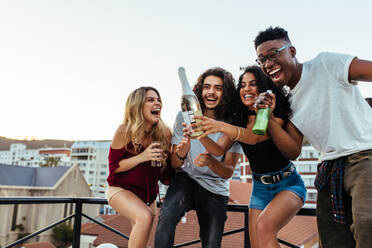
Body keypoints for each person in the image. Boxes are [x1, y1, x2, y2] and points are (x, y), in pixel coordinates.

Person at [254, 26, 372, 248]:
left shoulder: (325, 64)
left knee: (368, 223)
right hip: (330, 168)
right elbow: (293, 151)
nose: (267, 64)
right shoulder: (289, 102)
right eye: (262, 60)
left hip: (365, 156)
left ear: (292, 51)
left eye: (273, 54)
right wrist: (268, 119)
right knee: (333, 241)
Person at [191, 65, 306, 248]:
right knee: (256, 244)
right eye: (243, 85)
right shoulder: (240, 119)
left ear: (263, 88)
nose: (246, 89)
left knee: (264, 227)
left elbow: (254, 137)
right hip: (259, 188)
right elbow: (219, 149)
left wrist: (218, 126)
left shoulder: (275, 113)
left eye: (253, 84)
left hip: (288, 183)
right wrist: (200, 133)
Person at [154, 67, 242, 248]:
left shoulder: (232, 123)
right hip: (186, 179)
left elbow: (227, 172)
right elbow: (175, 163)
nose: (211, 92)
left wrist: (210, 161)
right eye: (207, 87)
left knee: (211, 243)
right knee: (166, 217)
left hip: (215, 187)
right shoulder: (183, 116)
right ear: (199, 91)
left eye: (218, 88)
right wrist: (181, 153)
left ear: (225, 93)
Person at [106, 86, 173, 248]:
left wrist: (174, 158)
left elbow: (166, 178)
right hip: (120, 189)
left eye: (158, 100)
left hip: (148, 197)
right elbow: (114, 168)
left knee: (143, 243)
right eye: (150, 100)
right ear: (137, 106)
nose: (157, 103)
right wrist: (142, 157)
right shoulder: (124, 131)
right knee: (146, 217)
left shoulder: (165, 133)